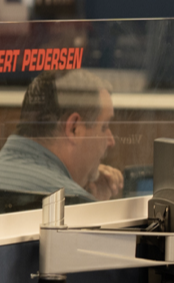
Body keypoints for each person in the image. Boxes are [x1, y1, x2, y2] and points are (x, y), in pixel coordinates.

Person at [0, 70, 122, 204]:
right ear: (74, 128)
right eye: (104, 127)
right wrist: (92, 208)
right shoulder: (69, 203)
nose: (111, 141)